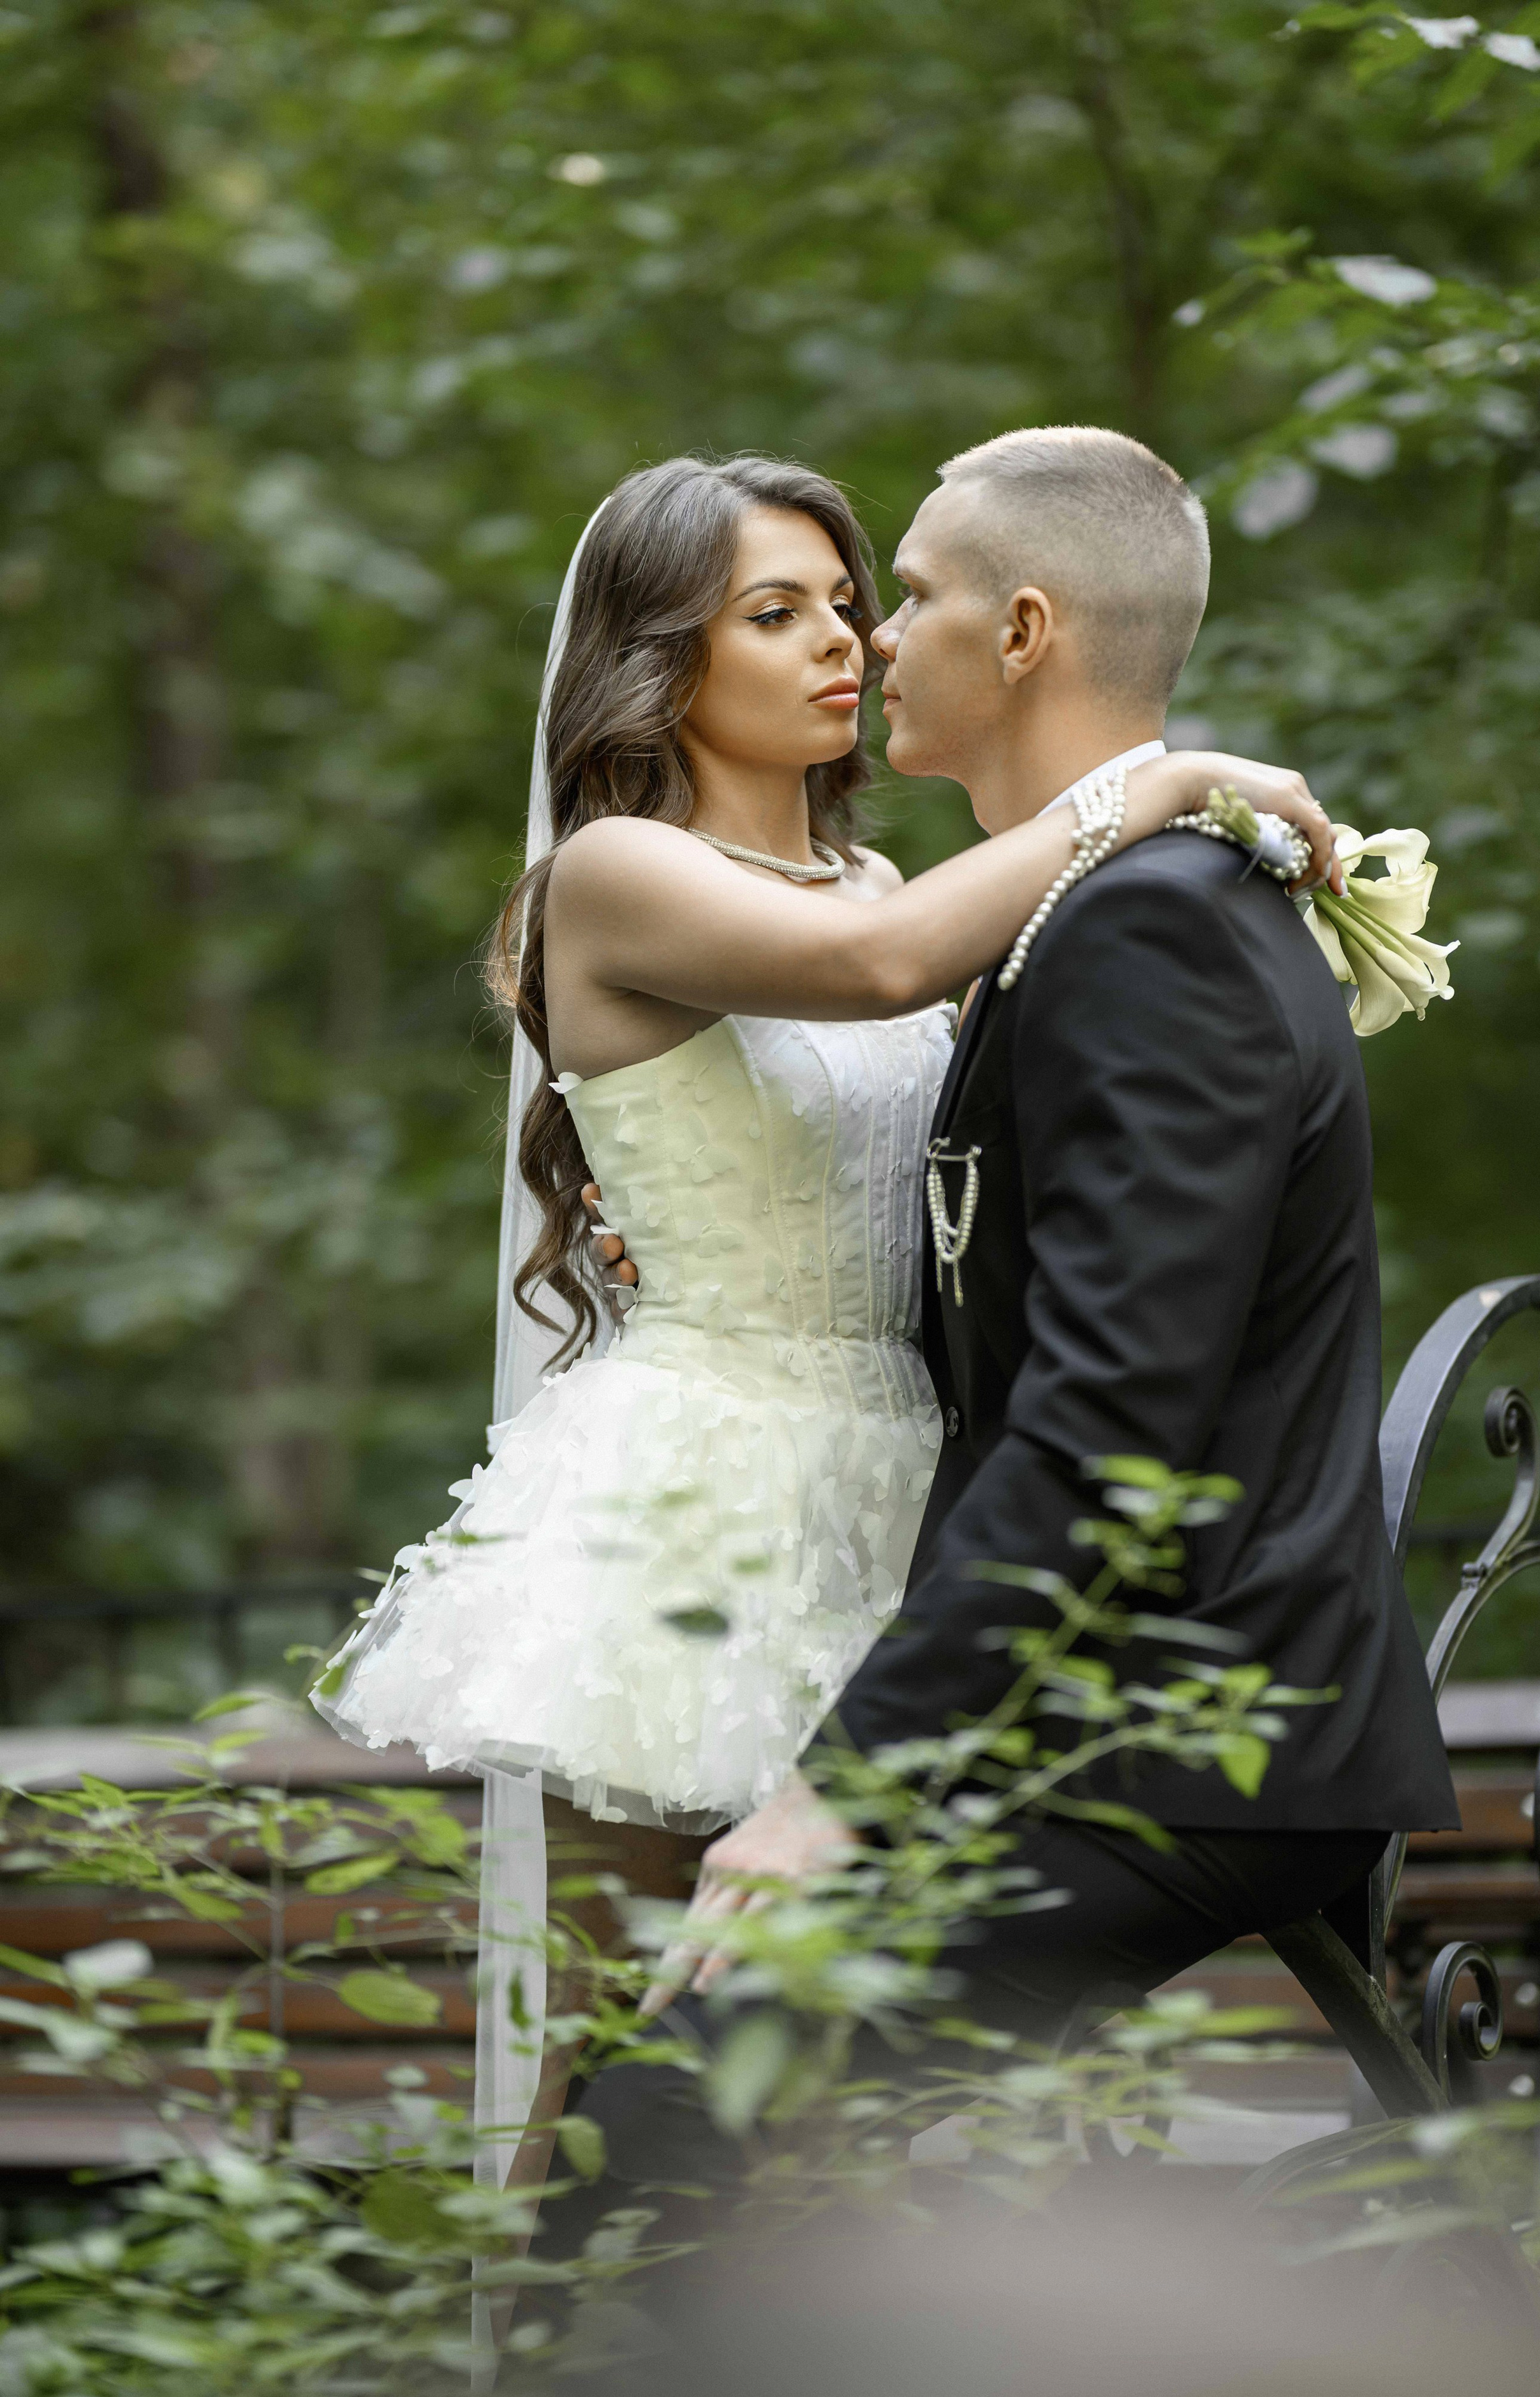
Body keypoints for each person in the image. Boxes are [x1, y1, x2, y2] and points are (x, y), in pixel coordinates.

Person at [311, 445, 1334, 2204]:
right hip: (705, 1490)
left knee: (850, 2078)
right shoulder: (618, 877)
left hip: (907, 1477)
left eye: (852, 603)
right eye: (771, 615)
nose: (843, 642)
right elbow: (887, 981)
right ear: (662, 661)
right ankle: (568, 2367)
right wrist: (1165, 787)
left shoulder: (883, 882)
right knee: (651, 2039)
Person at [581, 430, 1459, 2228]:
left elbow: (1106, 1424)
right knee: (710, 2126)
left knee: (677, 2128)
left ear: (1029, 629)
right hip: (1102, 1702)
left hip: (1194, 1730)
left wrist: (847, 1792)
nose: (876, 638)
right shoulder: (1088, 916)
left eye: (899, 594)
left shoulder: (1148, 930)